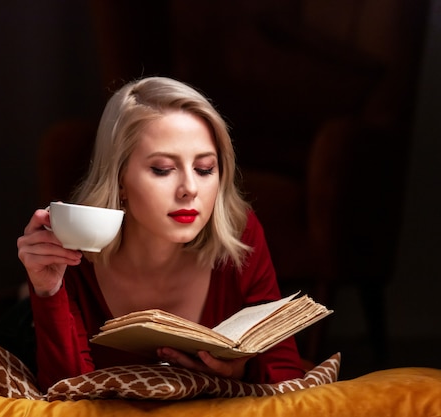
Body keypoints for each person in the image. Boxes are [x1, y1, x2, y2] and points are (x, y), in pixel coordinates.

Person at [17, 76, 304, 391]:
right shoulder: (74, 242)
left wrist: (239, 374)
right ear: (120, 179)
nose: (189, 190)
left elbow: (288, 379)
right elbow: (65, 390)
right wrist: (47, 290)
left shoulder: (239, 231)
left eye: (205, 169)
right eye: (163, 169)